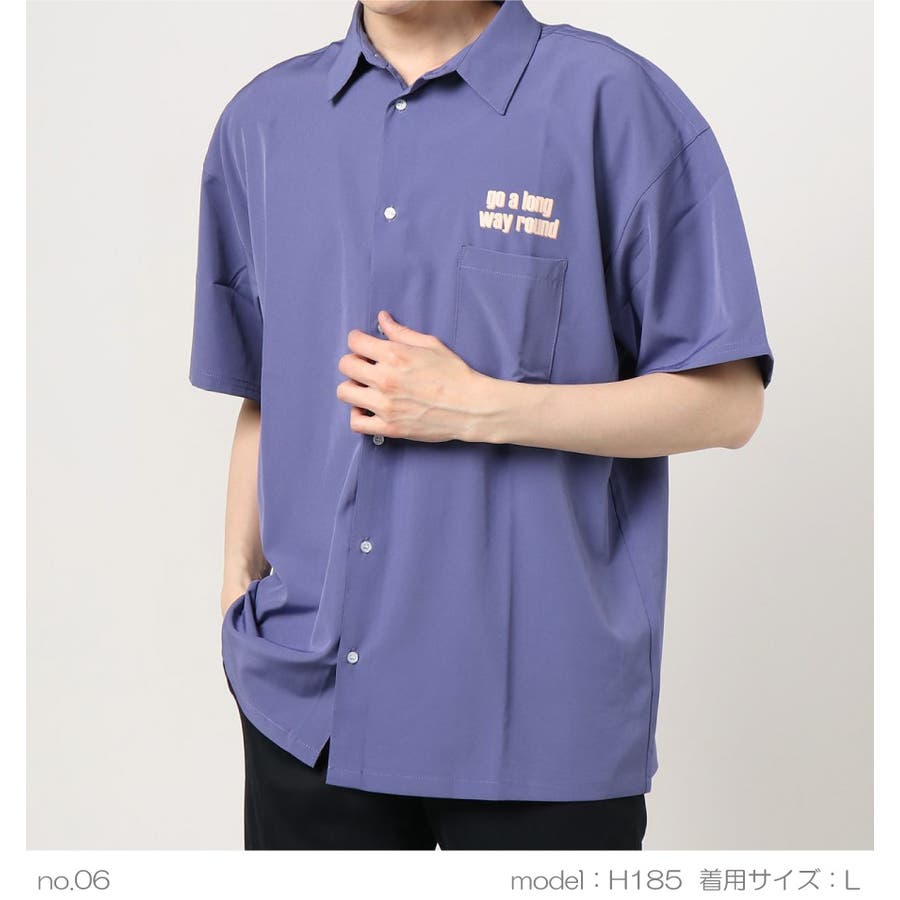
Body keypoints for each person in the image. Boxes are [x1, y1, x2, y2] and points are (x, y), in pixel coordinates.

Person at [189, 0, 775, 851]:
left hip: (538, 720)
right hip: (309, 712)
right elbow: (267, 390)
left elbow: (729, 402)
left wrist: (476, 405)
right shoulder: (263, 122)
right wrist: (236, 585)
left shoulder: (609, 100)